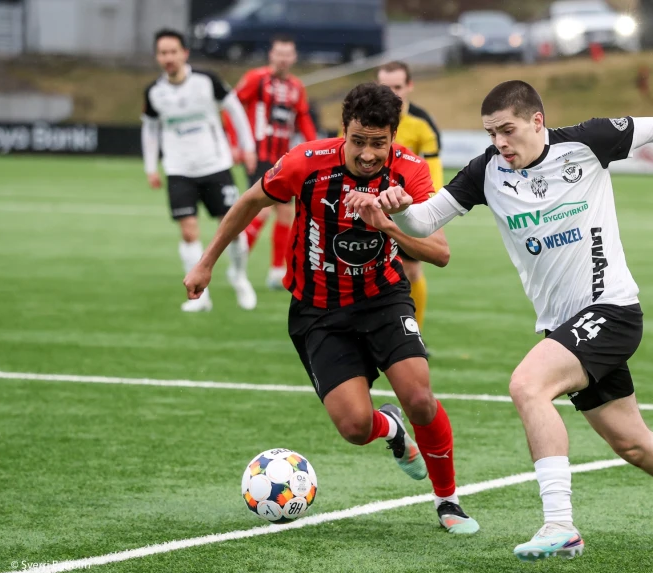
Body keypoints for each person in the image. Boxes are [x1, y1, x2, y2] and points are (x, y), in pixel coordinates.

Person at [345, 80, 653, 560]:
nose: (500, 142)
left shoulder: (587, 143)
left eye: (507, 130)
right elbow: (424, 222)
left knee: (528, 385)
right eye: (491, 133)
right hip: (563, 327)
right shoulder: (486, 171)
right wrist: (396, 213)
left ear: (536, 121)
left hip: (611, 309)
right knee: (634, 444)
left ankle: (560, 524)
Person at [183, 82, 479, 534]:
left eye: (378, 143)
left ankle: (448, 501)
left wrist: (389, 224)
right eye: (357, 141)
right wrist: (206, 262)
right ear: (344, 130)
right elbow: (250, 201)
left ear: (393, 137)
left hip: (383, 298)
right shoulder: (306, 162)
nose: (367, 154)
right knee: (355, 427)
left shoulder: (410, 171)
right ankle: (390, 429)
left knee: (420, 398)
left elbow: (440, 253)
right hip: (318, 310)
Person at [142, 28, 258, 313]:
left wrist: (248, 147)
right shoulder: (154, 92)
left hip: (215, 165)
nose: (168, 57)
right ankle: (200, 296)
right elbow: (150, 129)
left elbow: (235, 110)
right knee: (188, 231)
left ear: (184, 53)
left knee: (233, 228)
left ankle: (238, 276)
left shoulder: (207, 81)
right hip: (178, 169)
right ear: (157, 57)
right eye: (163, 53)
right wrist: (150, 167)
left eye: (173, 51)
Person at [232, 35, 318, 290]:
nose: (283, 59)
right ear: (271, 55)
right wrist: (236, 143)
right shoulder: (255, 79)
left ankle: (277, 271)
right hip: (258, 154)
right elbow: (231, 107)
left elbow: (303, 119)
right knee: (263, 209)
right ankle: (238, 264)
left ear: (294, 57)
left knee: (286, 212)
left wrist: (316, 148)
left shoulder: (296, 87)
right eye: (279, 53)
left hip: (283, 159)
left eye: (287, 54)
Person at [374, 62, 442, 331]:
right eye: (385, 87)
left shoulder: (422, 125)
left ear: (409, 86)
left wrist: (429, 208)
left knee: (411, 271)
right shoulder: (360, 119)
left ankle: (416, 333)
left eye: (397, 87)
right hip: (366, 206)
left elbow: (433, 172)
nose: (392, 93)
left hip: (404, 209)